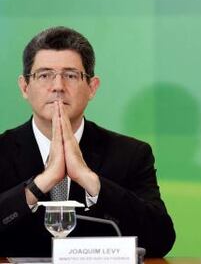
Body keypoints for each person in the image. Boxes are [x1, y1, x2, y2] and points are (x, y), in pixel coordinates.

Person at [0, 26, 175, 257]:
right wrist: (42, 183)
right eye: (45, 75)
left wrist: (89, 180)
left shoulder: (131, 154)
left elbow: (160, 240)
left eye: (71, 75)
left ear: (92, 87)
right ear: (24, 87)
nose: (58, 87)